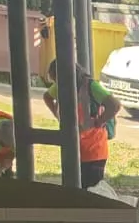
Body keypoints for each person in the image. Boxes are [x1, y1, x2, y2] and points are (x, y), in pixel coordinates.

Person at [43, 58, 121, 189]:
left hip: (94, 151)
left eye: (57, 80)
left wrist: (98, 122)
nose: (56, 85)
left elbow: (114, 105)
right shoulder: (62, 85)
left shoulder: (91, 87)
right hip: (73, 149)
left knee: (91, 191)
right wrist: (58, 117)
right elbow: (47, 97)